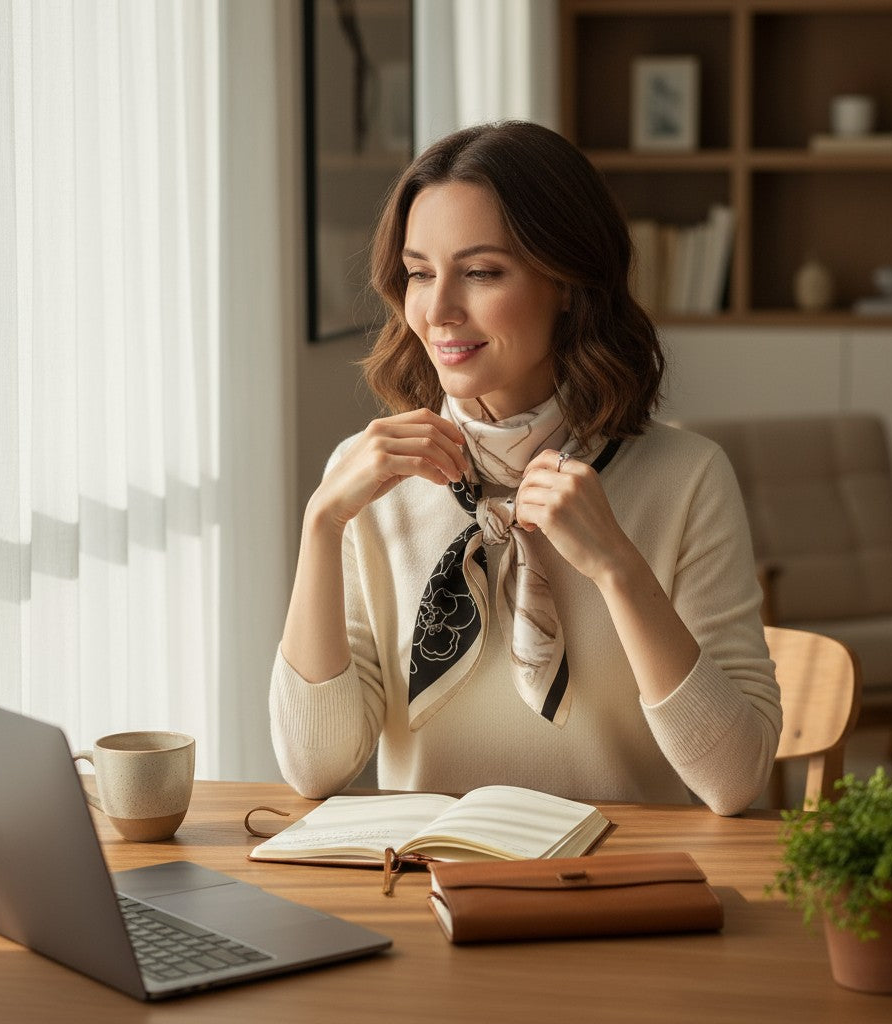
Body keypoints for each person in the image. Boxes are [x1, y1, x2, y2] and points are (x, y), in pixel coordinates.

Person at [270, 121, 780, 815]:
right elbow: (314, 769)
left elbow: (735, 780)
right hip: (428, 891)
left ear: (566, 283)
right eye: (421, 273)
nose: (440, 310)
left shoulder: (688, 477)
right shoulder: (363, 479)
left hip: (619, 890)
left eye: (481, 272)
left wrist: (618, 568)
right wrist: (321, 524)